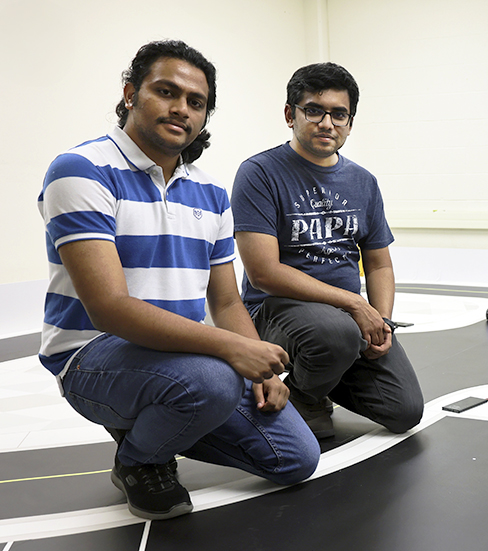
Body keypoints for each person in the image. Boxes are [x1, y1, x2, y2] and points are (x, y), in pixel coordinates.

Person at [38, 40, 320, 520]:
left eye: (196, 102)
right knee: (212, 379)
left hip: (186, 364)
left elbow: (228, 302)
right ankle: (138, 459)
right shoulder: (81, 170)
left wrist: (263, 370)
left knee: (294, 457)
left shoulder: (210, 192)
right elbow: (108, 307)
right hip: (92, 356)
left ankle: (163, 415)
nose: (181, 109)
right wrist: (230, 351)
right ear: (130, 93)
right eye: (166, 92)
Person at [231, 62, 423, 437]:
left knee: (405, 411)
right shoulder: (260, 173)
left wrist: (380, 322)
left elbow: (379, 264)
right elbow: (264, 273)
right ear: (290, 114)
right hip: (275, 309)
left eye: (339, 114)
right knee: (336, 333)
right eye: (314, 110)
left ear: (350, 121)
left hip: (340, 322)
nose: (327, 123)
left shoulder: (363, 181)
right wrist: (354, 305)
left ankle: (321, 372)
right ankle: (306, 395)